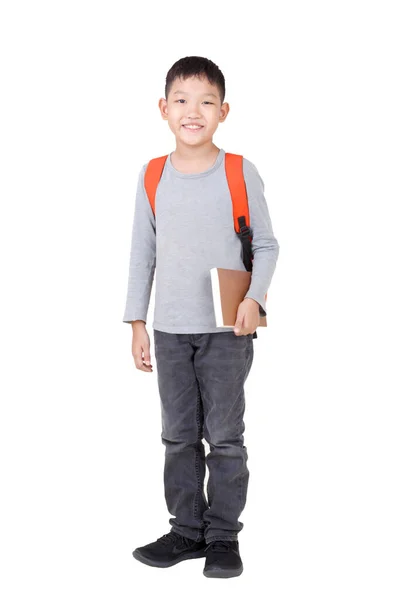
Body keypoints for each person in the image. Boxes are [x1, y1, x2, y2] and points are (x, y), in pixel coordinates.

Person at [122, 56, 280, 578]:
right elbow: (142, 253)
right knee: (178, 435)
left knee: (226, 435)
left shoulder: (239, 170)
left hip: (226, 330)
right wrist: (137, 322)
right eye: (183, 101)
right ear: (164, 109)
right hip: (168, 330)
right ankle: (186, 531)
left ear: (224, 111)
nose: (194, 112)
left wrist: (255, 298)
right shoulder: (151, 175)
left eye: (207, 101)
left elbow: (266, 243)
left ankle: (223, 537)